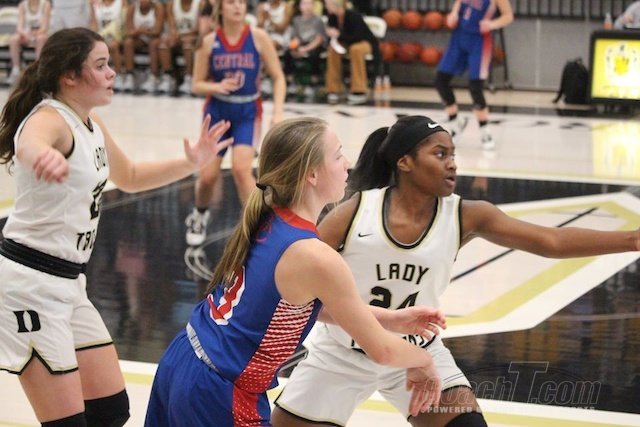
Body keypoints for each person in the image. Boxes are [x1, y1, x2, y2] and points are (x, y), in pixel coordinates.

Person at [271, 115, 640, 427]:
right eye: (440, 154)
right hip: (341, 355)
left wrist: (631, 240)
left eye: (452, 155)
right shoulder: (355, 212)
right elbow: (298, 280)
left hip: (417, 353)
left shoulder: (466, 215)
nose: (452, 164)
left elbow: (550, 241)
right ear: (405, 162)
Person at [145, 116, 448, 426]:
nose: (347, 164)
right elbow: (382, 350)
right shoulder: (314, 256)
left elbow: (295, 307)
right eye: (338, 155)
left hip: (184, 359)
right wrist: (424, 360)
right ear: (311, 174)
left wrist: (391, 318)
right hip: (218, 390)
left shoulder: (269, 216)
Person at [0, 27, 234, 426]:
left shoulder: (89, 122)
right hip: (30, 286)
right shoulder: (50, 117)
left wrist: (192, 162)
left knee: (110, 410)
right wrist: (40, 155)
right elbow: (30, 141)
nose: (112, 73)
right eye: (101, 65)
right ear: (69, 76)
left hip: (69, 283)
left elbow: (131, 176)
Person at [184, 0, 286, 246]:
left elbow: (278, 77)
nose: (238, 6)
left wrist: (278, 112)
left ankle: (256, 226)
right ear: (221, 8)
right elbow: (196, 84)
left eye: (241, 2)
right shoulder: (209, 41)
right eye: (231, 2)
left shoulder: (258, 37)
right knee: (207, 177)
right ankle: (199, 213)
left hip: (248, 111)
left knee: (242, 170)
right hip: (218, 111)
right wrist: (216, 86)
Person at [435, 0, 513, 150]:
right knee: (440, 81)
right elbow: (458, 4)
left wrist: (492, 24)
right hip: (459, 36)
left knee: (475, 87)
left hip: (479, 40)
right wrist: (453, 15)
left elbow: (508, 15)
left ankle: (485, 130)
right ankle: (456, 122)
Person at [323, 0, 379, 106]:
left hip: (364, 42)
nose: (326, 7)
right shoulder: (332, 17)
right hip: (346, 42)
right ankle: (334, 89)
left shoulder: (353, 16)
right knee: (333, 49)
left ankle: (359, 89)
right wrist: (332, 36)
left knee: (355, 50)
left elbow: (357, 36)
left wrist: (339, 35)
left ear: (335, 5)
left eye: (327, 4)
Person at [283, 0, 325, 97]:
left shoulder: (318, 20)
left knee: (315, 54)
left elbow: (319, 39)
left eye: (309, 4)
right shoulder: (296, 20)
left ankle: (313, 82)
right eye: (304, 4)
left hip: (314, 44)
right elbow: (295, 38)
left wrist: (305, 49)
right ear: (300, 6)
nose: (307, 7)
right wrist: (296, 48)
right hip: (301, 43)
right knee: (288, 52)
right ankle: (291, 82)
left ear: (313, 6)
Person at [158, 0, 202, 95]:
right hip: (178, 36)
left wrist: (181, 35)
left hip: (194, 37)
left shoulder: (199, 3)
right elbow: (172, 26)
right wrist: (174, 34)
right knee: (164, 42)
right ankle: (168, 77)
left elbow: (198, 29)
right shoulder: (172, 4)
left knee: (187, 43)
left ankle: (189, 78)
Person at [121, 0, 165, 92]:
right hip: (139, 38)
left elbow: (158, 31)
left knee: (153, 44)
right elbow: (128, 31)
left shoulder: (158, 7)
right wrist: (140, 31)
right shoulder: (132, 8)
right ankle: (130, 75)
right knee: (128, 42)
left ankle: (154, 76)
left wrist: (141, 31)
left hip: (155, 38)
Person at [7, 0, 51, 86]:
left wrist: (35, 33)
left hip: (40, 33)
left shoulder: (46, 4)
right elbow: (19, 26)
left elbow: (45, 26)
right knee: (14, 39)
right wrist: (25, 34)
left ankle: (38, 68)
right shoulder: (22, 5)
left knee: (40, 38)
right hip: (26, 34)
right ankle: (16, 69)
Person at [90, 0, 128, 91]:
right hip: (101, 35)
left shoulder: (121, 2)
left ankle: (118, 76)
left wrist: (119, 36)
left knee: (113, 46)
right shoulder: (95, 4)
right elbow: (94, 24)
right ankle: (96, 78)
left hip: (118, 35)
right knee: (91, 46)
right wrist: (93, 37)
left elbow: (124, 22)